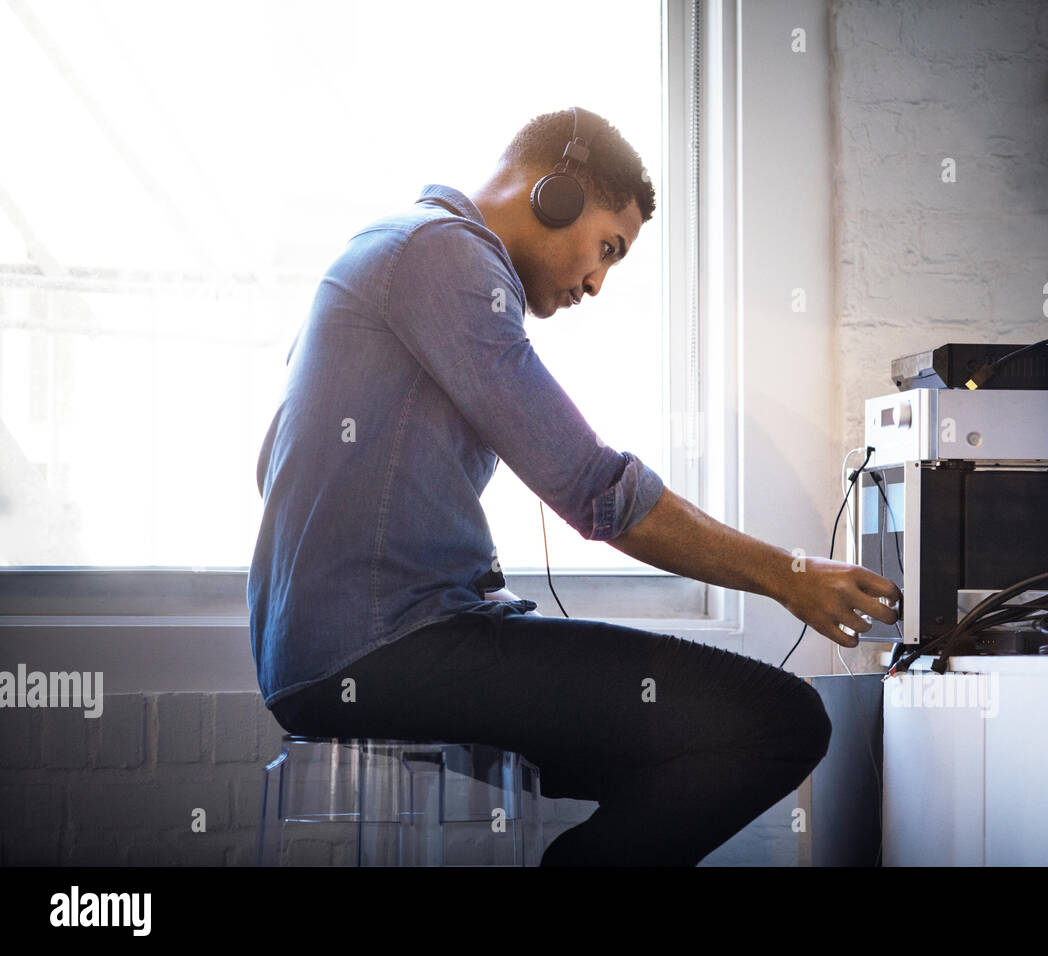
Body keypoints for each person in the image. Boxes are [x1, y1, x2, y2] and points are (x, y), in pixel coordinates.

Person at [247, 106, 900, 866]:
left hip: (326, 655)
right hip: (386, 650)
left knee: (671, 752)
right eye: (606, 249)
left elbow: (275, 468)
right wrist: (789, 576)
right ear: (551, 195)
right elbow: (599, 493)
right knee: (779, 720)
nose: (596, 282)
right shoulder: (447, 259)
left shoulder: (392, 250)